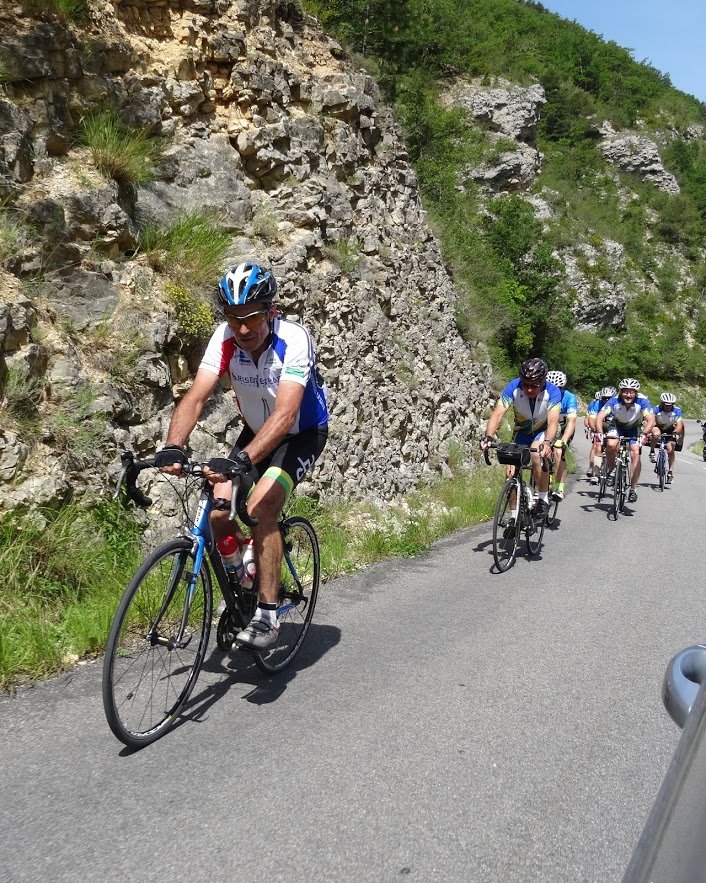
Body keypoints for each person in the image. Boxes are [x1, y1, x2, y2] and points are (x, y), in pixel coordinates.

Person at [155, 262, 329, 650]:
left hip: (301, 433)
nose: (243, 329)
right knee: (219, 510)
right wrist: (173, 443)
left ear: (271, 312)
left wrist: (241, 461)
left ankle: (267, 616)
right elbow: (196, 395)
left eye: (251, 318)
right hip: (255, 430)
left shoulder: (294, 339)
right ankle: (244, 584)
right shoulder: (225, 338)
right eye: (234, 319)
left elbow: (285, 415)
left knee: (261, 508)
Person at [481, 357, 561, 518]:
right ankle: (514, 516)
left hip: (543, 431)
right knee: (510, 474)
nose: (529, 389)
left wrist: (547, 443)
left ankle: (543, 498)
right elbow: (497, 414)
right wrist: (488, 437)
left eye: (534, 386)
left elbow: (553, 421)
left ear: (543, 381)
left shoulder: (552, 391)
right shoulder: (513, 387)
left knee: (537, 453)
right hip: (522, 432)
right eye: (525, 385)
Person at [595, 378, 654, 503]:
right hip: (617, 426)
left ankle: (633, 489)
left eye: (631, 392)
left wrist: (644, 434)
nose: (628, 395)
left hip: (635, 427)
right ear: (621, 392)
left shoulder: (642, 401)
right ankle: (612, 469)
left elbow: (651, 420)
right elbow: (600, 416)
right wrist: (600, 433)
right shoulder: (614, 401)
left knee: (635, 452)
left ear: (636, 393)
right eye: (625, 392)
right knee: (611, 444)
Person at [546, 370, 577, 502]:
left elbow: (571, 422)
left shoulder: (569, 398)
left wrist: (563, 440)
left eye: (558, 389)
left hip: (564, 429)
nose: (554, 391)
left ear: (563, 388)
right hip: (547, 427)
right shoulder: (543, 395)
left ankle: (559, 488)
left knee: (558, 451)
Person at [649, 392, 685, 483]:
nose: (667, 407)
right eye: (666, 405)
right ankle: (652, 451)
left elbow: (679, 424)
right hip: (658, 427)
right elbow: (651, 421)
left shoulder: (677, 410)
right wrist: (649, 431)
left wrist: (676, 432)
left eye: (670, 405)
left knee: (670, 450)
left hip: (670, 429)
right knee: (656, 434)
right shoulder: (656, 409)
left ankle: (670, 472)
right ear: (662, 403)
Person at [586, 386, 616, 484]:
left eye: (609, 398)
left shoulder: (618, 403)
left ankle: (616, 466)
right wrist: (594, 430)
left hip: (615, 427)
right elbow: (591, 419)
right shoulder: (596, 404)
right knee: (597, 444)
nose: (606, 400)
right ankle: (595, 473)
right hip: (600, 427)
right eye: (604, 398)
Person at [584, 391, 603, 480]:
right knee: (595, 446)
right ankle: (591, 467)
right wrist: (591, 429)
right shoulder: (593, 404)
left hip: (607, 428)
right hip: (595, 427)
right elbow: (587, 419)